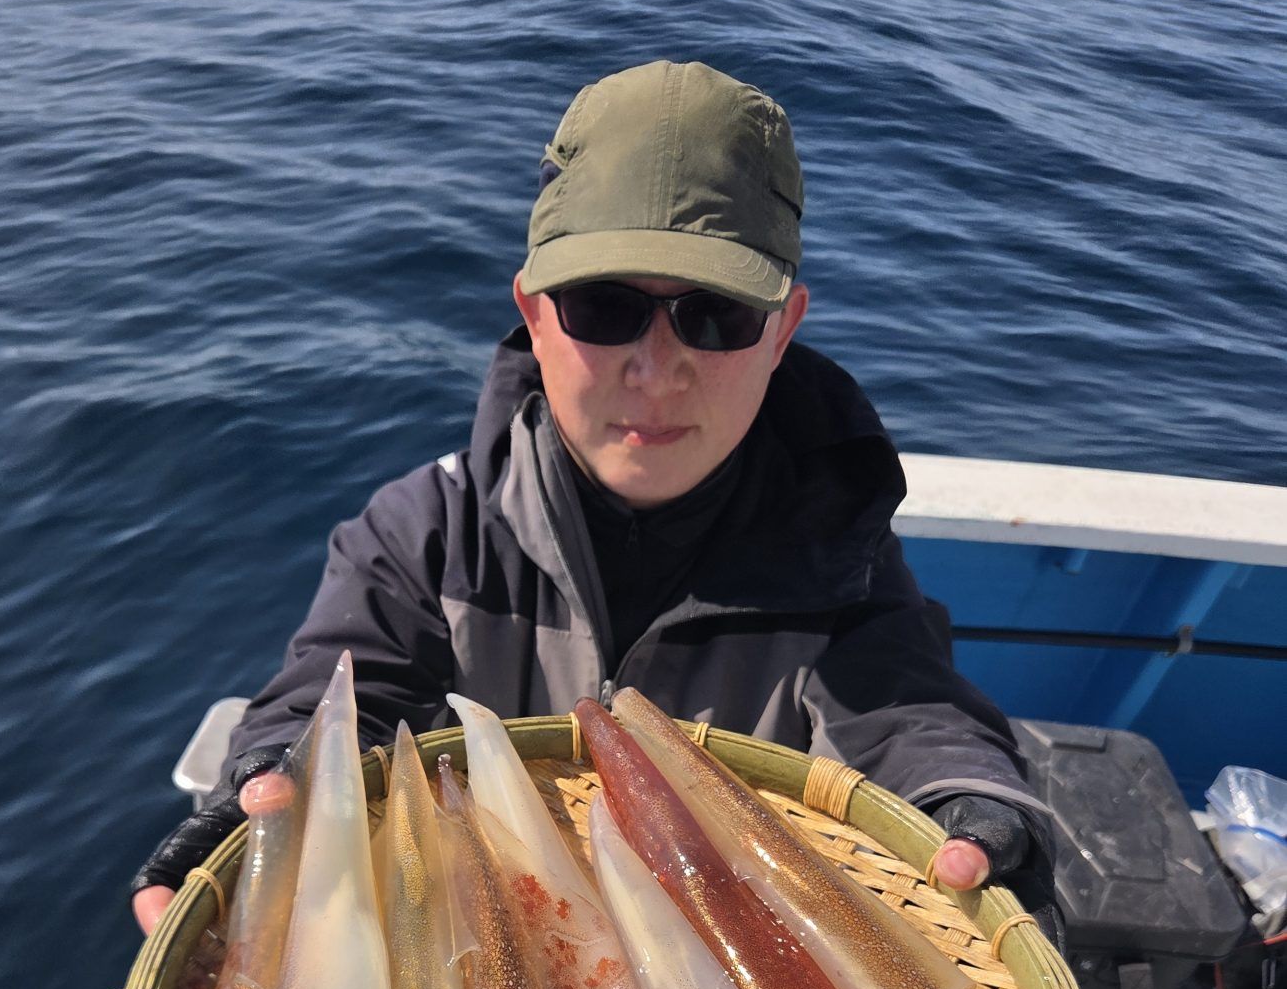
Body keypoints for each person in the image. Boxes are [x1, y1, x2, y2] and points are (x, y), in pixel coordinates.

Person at [132, 60, 1057, 941]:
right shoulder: (423, 538)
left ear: (783, 334)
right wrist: (272, 777)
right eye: (604, 308)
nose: (656, 370)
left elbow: (908, 722)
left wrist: (964, 804)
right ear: (534, 315)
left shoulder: (837, 552)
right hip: (491, 946)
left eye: (716, 315)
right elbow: (336, 703)